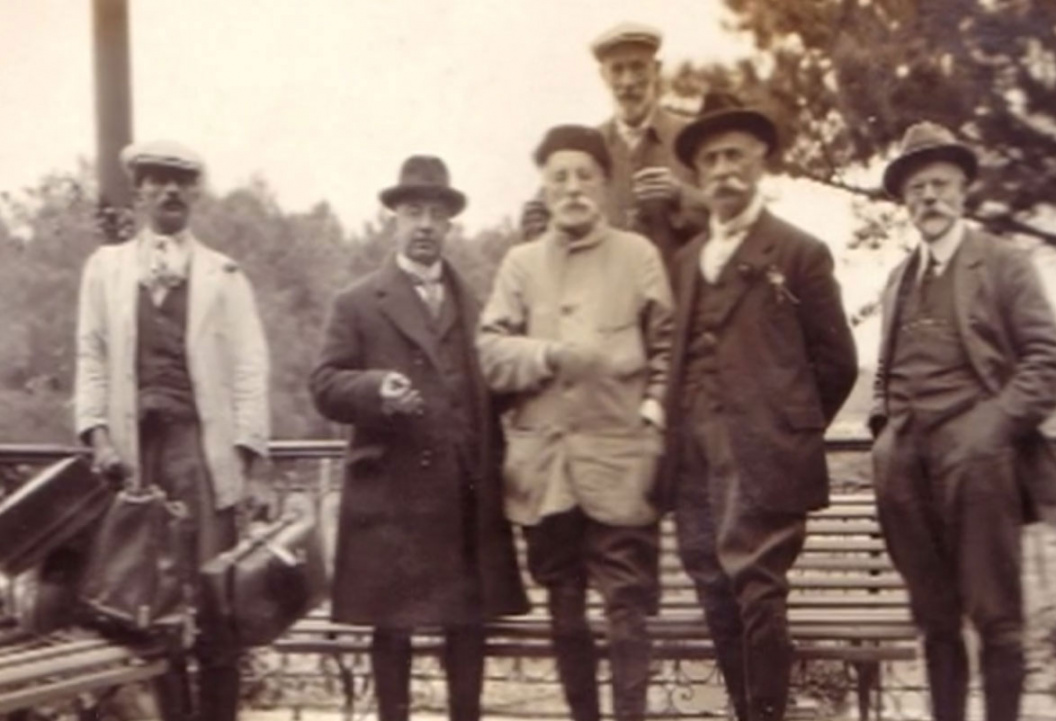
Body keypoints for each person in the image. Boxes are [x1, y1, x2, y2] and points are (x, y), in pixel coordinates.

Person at [659, 92, 858, 721]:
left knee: (759, 594)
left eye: (734, 156)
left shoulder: (799, 253)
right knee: (713, 588)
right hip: (695, 460)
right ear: (698, 173)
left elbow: (838, 363)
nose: (723, 170)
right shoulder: (687, 261)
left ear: (759, 161)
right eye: (710, 160)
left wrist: (787, 429)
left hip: (764, 458)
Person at [309, 156, 529, 721]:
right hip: (392, 500)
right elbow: (325, 385)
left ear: (450, 224)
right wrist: (374, 389)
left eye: (436, 213)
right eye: (413, 212)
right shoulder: (358, 302)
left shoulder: (478, 305)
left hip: (464, 496)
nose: (425, 225)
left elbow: (500, 387)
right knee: (393, 631)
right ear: (395, 220)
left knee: (467, 629)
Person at [869, 122, 1056, 721]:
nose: (929, 197)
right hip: (907, 470)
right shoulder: (898, 279)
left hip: (978, 466)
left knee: (997, 619)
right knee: (935, 621)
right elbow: (884, 370)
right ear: (904, 202)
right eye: (917, 189)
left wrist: (991, 428)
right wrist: (885, 432)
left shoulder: (1003, 264)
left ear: (962, 190)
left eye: (940, 184)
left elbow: (1048, 362)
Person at [477, 125, 674, 721]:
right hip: (546, 472)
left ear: (605, 185)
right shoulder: (520, 264)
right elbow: (489, 353)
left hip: (621, 465)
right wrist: (548, 355)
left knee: (627, 611)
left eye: (585, 176)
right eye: (559, 177)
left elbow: (668, 350)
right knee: (564, 611)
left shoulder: (638, 255)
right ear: (544, 186)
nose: (572, 188)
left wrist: (652, 419)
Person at [74, 140, 270, 721]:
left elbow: (250, 367)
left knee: (215, 605)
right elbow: (91, 356)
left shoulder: (224, 275)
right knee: (147, 608)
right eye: (158, 180)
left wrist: (247, 462)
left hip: (202, 458)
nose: (171, 191)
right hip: (135, 460)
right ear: (139, 192)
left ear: (196, 194)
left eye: (182, 181)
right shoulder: (106, 270)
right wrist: (99, 437)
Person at [520, 22, 706, 268]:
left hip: (676, 288)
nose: (627, 81)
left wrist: (681, 195)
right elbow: (540, 218)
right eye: (617, 70)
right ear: (603, 76)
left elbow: (729, 216)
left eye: (638, 67)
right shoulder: (586, 147)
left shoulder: (691, 138)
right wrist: (539, 228)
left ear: (656, 70)